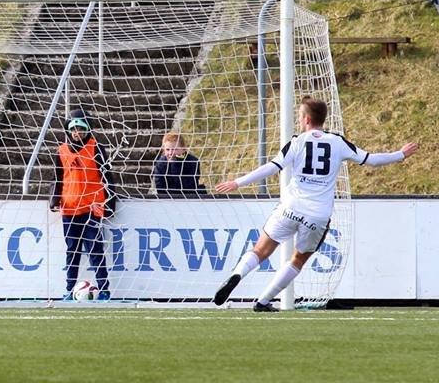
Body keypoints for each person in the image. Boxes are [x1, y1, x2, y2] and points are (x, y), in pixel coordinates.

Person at [213, 97, 418, 311]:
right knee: (297, 260)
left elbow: (272, 167)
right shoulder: (338, 142)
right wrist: (400, 154)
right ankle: (263, 301)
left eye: (300, 116)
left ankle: (238, 274)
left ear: (307, 119)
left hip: (290, 208)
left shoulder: (297, 141)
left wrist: (237, 182)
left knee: (260, 250)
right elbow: (372, 160)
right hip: (317, 215)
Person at [49, 110, 115, 301]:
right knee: (72, 251)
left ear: (88, 129)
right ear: (68, 130)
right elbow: (58, 177)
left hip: (92, 207)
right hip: (70, 208)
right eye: (74, 129)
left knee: (95, 250)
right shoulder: (61, 150)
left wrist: (111, 202)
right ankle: (69, 290)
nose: (77, 132)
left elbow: (107, 177)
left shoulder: (97, 148)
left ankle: (104, 290)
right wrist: (54, 199)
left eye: (81, 129)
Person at [153, 131, 207, 197]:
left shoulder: (192, 162)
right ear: (163, 150)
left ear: (184, 149)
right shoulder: (161, 164)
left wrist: (175, 165)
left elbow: (189, 187)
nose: (170, 153)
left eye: (174, 149)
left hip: (189, 197)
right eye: (167, 149)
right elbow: (160, 188)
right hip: (169, 198)